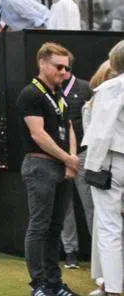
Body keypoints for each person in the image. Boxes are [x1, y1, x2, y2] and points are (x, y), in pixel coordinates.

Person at [17, 43, 79, 296]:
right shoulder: (31, 94)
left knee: (55, 228)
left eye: (67, 68)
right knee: (39, 226)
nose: (64, 72)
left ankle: (54, 283)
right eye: (59, 66)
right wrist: (68, 158)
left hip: (60, 165)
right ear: (42, 63)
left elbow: (70, 127)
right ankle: (39, 285)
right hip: (39, 165)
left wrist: (71, 160)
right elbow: (38, 134)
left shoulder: (58, 93)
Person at [84, 42, 124, 296]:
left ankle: (112, 289)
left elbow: (99, 134)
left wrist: (92, 168)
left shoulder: (109, 88)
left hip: (113, 161)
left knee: (109, 227)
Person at [59, 60, 93, 271]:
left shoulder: (85, 87)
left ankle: (99, 251)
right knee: (65, 206)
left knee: (91, 205)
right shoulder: (50, 90)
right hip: (59, 155)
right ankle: (70, 251)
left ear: (68, 69)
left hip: (83, 153)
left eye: (62, 68)